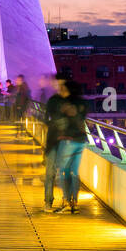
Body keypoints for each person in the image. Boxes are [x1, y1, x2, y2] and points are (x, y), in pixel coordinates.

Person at [53, 80, 89, 214]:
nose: (60, 90)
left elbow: (61, 121)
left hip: (69, 140)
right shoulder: (83, 103)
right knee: (74, 172)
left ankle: (67, 201)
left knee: (62, 172)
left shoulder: (66, 103)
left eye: (62, 88)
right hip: (81, 140)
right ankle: (75, 203)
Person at [42, 74, 69, 210]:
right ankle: (57, 200)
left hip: (55, 140)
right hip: (61, 141)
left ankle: (49, 202)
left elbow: (46, 119)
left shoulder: (54, 100)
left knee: (51, 173)